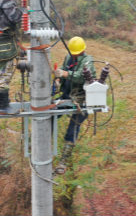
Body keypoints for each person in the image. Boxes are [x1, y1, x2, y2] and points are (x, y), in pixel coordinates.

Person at [54, 36, 96, 174]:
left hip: (83, 101)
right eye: (73, 53)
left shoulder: (87, 61)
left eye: (75, 53)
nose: (74, 55)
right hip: (67, 97)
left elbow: (80, 76)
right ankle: (38, 145)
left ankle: (63, 162)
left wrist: (65, 73)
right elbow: (63, 68)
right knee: (49, 117)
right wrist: (58, 77)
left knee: (72, 129)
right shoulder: (68, 58)